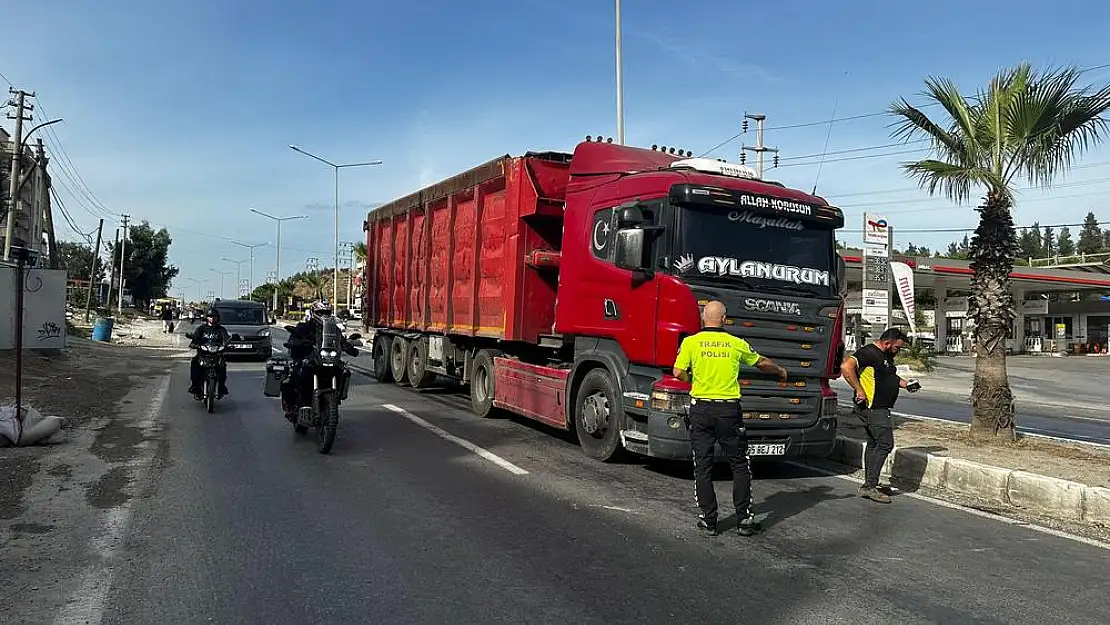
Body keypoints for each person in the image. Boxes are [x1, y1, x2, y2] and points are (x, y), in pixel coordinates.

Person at [672, 300, 789, 537]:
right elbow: (761, 363)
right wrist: (780, 371)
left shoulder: (691, 343)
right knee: (739, 464)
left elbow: (677, 372)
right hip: (728, 412)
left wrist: (693, 382)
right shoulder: (736, 344)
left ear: (704, 318)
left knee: (703, 465)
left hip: (701, 409)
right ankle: (744, 519)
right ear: (724, 320)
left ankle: (709, 520)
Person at [839, 327, 920, 504]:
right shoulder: (869, 352)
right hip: (873, 408)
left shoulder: (886, 357)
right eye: (897, 348)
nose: (897, 351)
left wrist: (907, 384)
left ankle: (870, 483)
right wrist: (859, 390)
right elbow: (846, 367)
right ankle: (870, 486)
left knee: (874, 443)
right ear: (887, 343)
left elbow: (890, 377)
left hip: (879, 408)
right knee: (885, 443)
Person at [188, 308, 231, 397]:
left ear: (217, 318)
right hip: (203, 354)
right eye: (210, 316)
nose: (212, 318)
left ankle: (222, 387)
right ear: (206, 317)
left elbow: (226, 339)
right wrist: (195, 344)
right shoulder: (201, 329)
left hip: (217, 355)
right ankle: (195, 386)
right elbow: (195, 339)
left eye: (213, 316)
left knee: (222, 366)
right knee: (194, 363)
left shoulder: (221, 329)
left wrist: (227, 345)